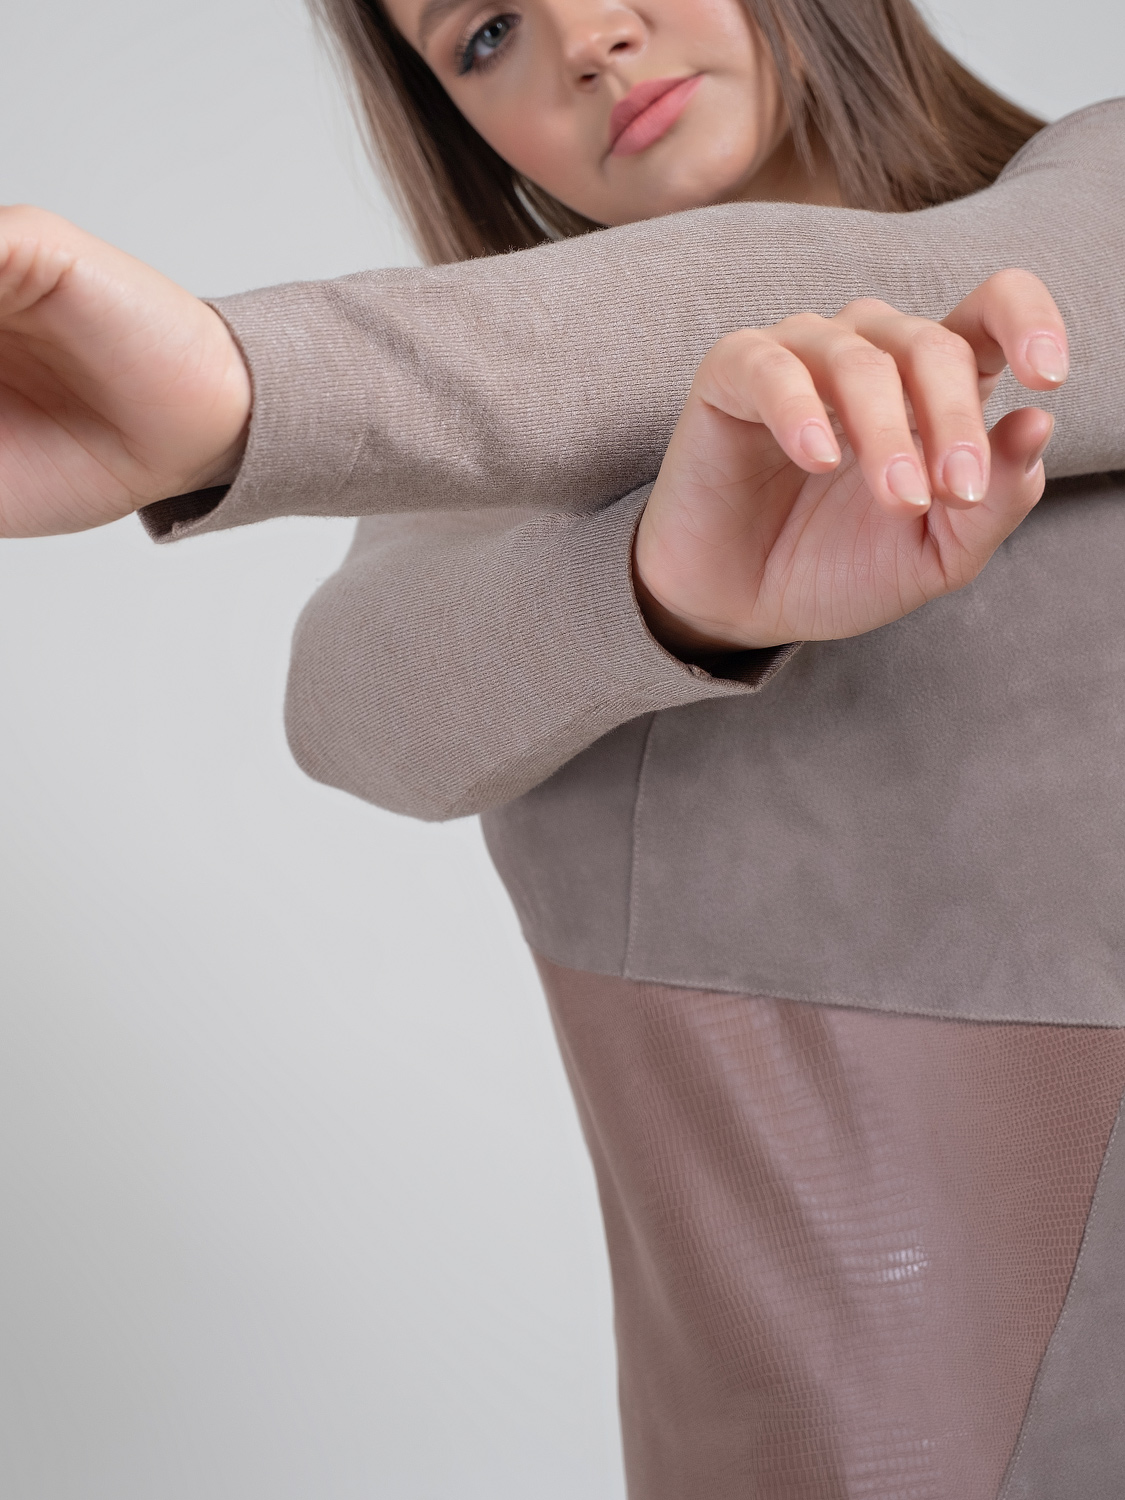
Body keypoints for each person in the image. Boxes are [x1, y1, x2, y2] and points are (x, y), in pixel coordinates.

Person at [1, 0, 1124, 1493]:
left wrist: (244, 390)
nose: (588, 37)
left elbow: (936, 292)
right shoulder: (472, 507)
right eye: (485, 35)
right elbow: (353, 711)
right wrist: (658, 588)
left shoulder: (1100, 191)